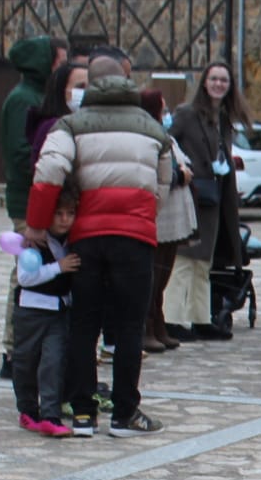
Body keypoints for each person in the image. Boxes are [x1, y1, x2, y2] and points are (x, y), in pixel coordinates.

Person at [26, 54, 174, 438]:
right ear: (127, 81)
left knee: (83, 325)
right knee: (128, 327)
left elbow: (48, 173)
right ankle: (125, 413)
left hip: (86, 240)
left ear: (89, 85)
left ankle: (82, 414)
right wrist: (143, 214)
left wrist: (38, 224)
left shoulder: (71, 125)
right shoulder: (153, 128)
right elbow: (163, 183)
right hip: (135, 239)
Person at [0, 35, 69, 378]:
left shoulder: (40, 97)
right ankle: (14, 349)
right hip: (27, 197)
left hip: (45, 195)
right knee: (25, 271)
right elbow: (20, 152)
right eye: (59, 60)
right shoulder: (22, 99)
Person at [165, 61, 248, 342]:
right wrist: (181, 170)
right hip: (192, 196)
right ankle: (172, 319)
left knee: (204, 262)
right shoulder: (187, 114)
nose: (218, 84)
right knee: (184, 260)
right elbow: (167, 143)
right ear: (204, 82)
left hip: (215, 199)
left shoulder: (223, 118)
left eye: (223, 80)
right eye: (214, 79)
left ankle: (200, 317)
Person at [10, 189, 80, 438]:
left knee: (53, 361)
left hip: (59, 311)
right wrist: (57, 268)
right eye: (58, 214)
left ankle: (51, 414)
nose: (64, 220)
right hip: (31, 310)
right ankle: (28, 410)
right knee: (26, 361)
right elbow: (25, 277)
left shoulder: (72, 241)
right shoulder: (33, 242)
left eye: (70, 214)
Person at [139, 87, 196, 355]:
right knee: (153, 275)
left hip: (174, 218)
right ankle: (148, 326)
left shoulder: (166, 136)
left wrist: (185, 171)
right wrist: (180, 175)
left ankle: (158, 323)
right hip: (160, 218)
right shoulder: (148, 136)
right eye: (162, 109)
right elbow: (160, 172)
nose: (167, 114)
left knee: (163, 275)